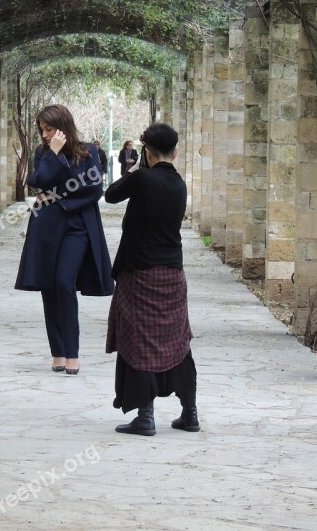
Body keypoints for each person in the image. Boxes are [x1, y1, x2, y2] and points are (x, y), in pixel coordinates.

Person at [104, 122, 198, 436]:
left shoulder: (142, 178)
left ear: (146, 151)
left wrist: (135, 170)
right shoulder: (180, 184)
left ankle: (145, 416)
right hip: (172, 273)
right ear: (176, 151)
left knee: (139, 341)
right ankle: (190, 412)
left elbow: (111, 195)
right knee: (178, 340)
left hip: (139, 272)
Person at [15, 105, 114, 376]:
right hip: (47, 226)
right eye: (42, 130)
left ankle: (72, 353)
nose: (45, 134)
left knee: (63, 282)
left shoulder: (88, 152)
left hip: (77, 225)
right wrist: (55, 153)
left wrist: (58, 198)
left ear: (62, 126)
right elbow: (38, 180)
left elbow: (94, 189)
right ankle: (57, 353)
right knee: (49, 286)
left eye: (49, 129)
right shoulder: (44, 153)